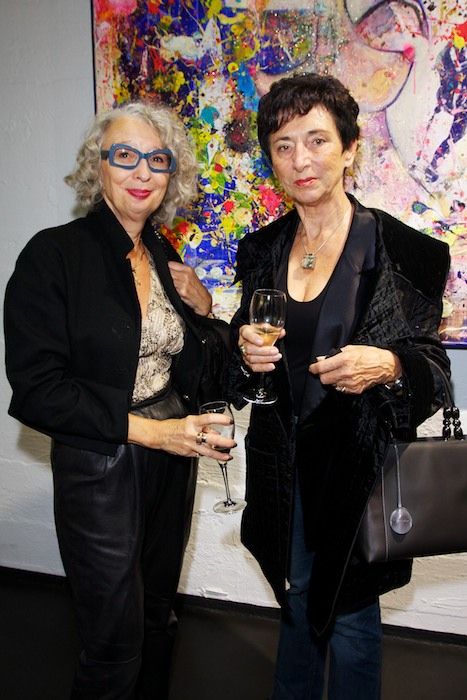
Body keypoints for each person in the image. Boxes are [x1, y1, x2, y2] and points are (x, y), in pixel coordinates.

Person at [226, 73, 451, 699]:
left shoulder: (406, 251)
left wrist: (390, 365)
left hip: (361, 464)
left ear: (350, 148)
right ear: (271, 160)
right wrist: (243, 352)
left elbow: (433, 367)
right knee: (295, 597)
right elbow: (243, 362)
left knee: (351, 616)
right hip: (282, 461)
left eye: (317, 140)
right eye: (284, 145)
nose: (301, 159)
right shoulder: (261, 250)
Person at [4, 102, 235, 700]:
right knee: (113, 641)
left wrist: (206, 309)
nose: (142, 172)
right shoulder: (53, 255)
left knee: (157, 616)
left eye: (157, 160)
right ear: (98, 167)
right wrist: (155, 433)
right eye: (125, 155)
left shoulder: (161, 253)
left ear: (171, 175)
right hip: (100, 461)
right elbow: (37, 390)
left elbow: (193, 361)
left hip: (172, 453)